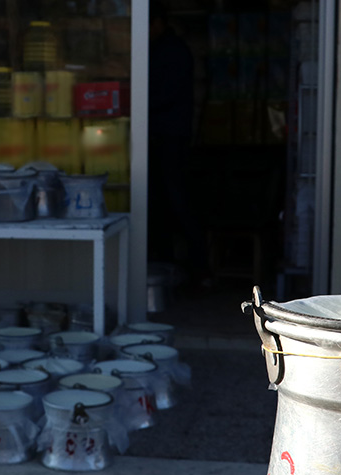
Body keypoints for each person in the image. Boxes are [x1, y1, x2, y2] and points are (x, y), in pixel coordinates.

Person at [147, 1, 207, 289]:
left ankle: (199, 268)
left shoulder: (171, 51)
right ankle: (171, 267)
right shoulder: (164, 49)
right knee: (162, 202)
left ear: (158, 23)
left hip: (170, 137)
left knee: (177, 201)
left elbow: (163, 96)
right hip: (165, 136)